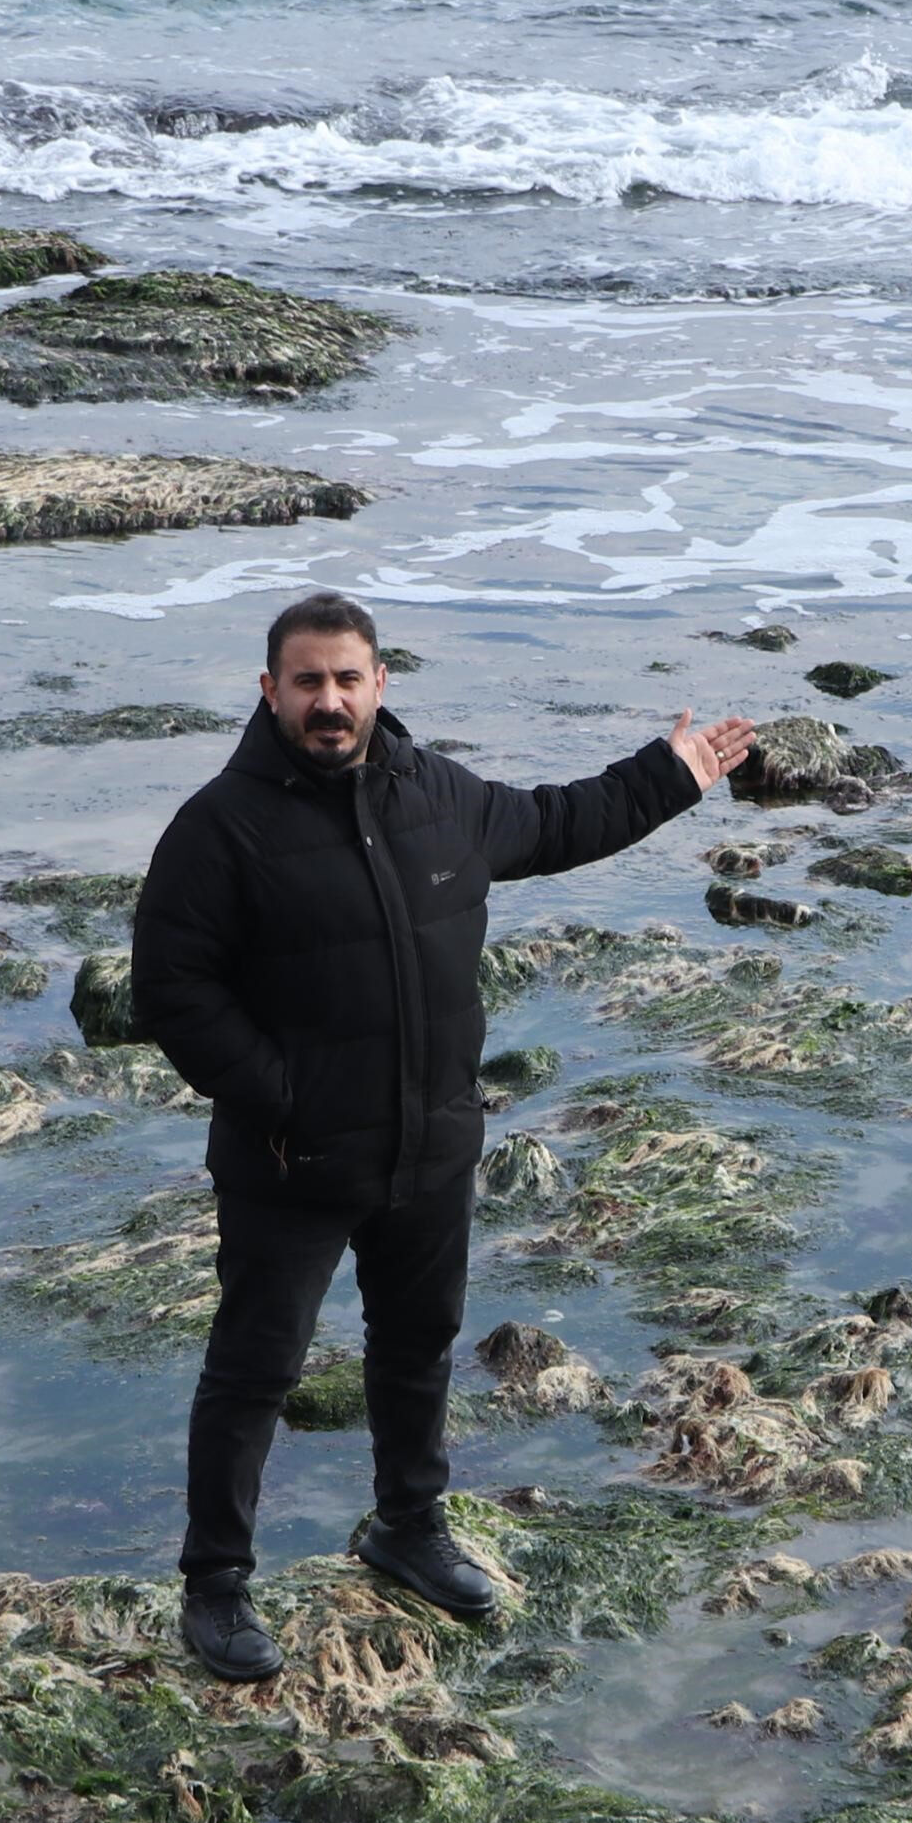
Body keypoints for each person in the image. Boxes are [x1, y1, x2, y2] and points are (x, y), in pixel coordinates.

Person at [128, 591, 751, 1679]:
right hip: (292, 1161)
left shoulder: (439, 797)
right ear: (267, 690)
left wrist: (670, 776)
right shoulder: (218, 828)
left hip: (428, 1152)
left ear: (381, 684)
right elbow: (171, 992)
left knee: (415, 1348)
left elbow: (560, 823)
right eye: (307, 680)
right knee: (253, 1371)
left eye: (347, 678)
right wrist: (285, 1097)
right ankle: (216, 1581)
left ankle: (405, 1528)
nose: (329, 700)